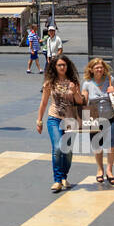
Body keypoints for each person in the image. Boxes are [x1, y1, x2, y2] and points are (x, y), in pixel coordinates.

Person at [36, 55, 86, 192]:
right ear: (55, 67)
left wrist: (75, 91)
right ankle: (57, 180)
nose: (62, 67)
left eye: (64, 65)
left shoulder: (73, 82)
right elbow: (44, 102)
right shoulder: (49, 83)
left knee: (67, 151)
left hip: (70, 120)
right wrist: (39, 120)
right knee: (58, 148)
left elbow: (80, 101)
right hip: (54, 118)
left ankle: (64, 176)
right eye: (59, 65)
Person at [83, 58, 114, 185]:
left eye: (101, 67)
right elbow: (84, 100)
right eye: (97, 68)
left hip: (111, 117)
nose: (99, 69)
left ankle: (109, 170)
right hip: (94, 119)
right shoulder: (87, 83)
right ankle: (100, 169)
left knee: (111, 145)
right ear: (91, 69)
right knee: (97, 146)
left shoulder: (110, 80)